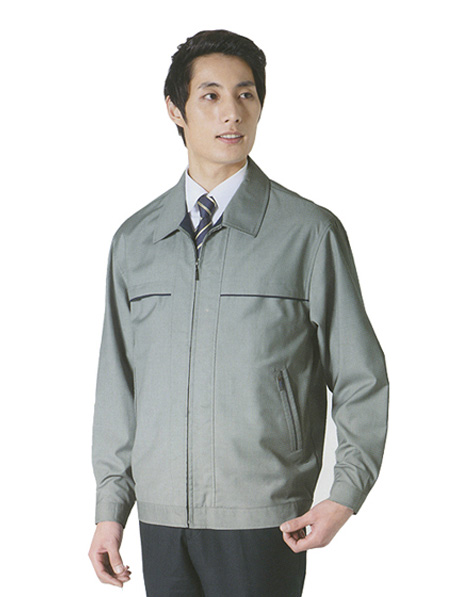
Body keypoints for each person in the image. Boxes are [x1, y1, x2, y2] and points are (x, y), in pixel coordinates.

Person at [88, 29, 389, 596]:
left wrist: (345, 494)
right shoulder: (135, 240)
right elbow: (118, 386)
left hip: (264, 516)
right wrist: (111, 509)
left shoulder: (307, 233)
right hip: (161, 518)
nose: (232, 112)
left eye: (246, 94)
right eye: (211, 95)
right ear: (175, 110)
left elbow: (361, 375)